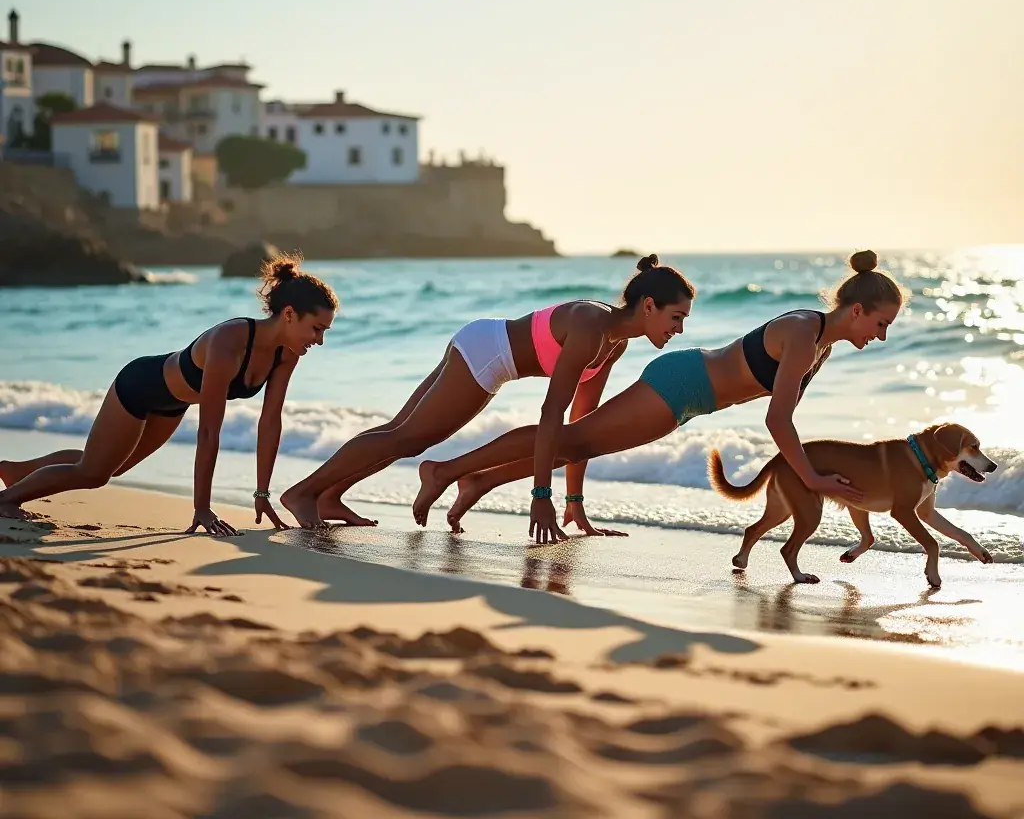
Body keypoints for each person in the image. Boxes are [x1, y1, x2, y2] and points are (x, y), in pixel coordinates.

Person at [414, 251, 905, 543]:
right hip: (683, 383)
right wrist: (814, 477)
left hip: (691, 396)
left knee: (577, 442)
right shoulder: (803, 332)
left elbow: (779, 414)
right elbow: (778, 422)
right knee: (573, 438)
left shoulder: (819, 348)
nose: (880, 336)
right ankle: (449, 473)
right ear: (857, 310)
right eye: (881, 324)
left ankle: (475, 482)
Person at [281, 255, 695, 530]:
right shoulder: (591, 326)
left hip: (485, 344)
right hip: (488, 353)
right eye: (675, 317)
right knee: (409, 438)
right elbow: (550, 414)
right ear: (647, 305)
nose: (678, 330)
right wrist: (539, 496)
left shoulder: (614, 344)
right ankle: (305, 492)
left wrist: (574, 501)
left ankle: (330, 495)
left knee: (401, 432)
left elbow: (577, 429)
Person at [0, 256, 337, 534]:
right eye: (316, 329)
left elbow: (269, 423)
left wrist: (262, 493)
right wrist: (202, 508)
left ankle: (16, 472)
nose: (319, 341)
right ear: (290, 314)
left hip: (172, 404)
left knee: (112, 465)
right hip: (140, 385)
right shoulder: (229, 342)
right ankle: (8, 498)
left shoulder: (286, 353)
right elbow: (208, 432)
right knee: (94, 473)